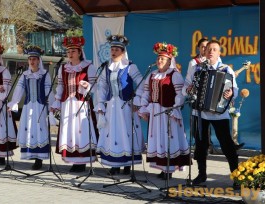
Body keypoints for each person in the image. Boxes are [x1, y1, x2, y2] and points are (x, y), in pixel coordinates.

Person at [182, 39, 239, 188]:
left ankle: (237, 177)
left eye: (214, 49)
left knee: (227, 145)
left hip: (219, 113)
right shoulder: (197, 68)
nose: (211, 51)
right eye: (209, 49)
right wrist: (188, 90)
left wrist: (231, 93)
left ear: (219, 53)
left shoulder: (226, 69)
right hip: (199, 113)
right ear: (204, 52)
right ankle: (202, 175)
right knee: (200, 145)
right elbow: (186, 85)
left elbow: (235, 89)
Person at [139, 42, 191, 180]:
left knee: (169, 138)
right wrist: (144, 108)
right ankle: (163, 168)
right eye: (158, 58)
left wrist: (174, 108)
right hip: (155, 113)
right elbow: (146, 93)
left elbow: (180, 94)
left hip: (169, 112)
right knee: (158, 139)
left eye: (163, 59)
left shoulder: (174, 75)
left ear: (170, 61)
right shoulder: (152, 75)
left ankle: (170, 168)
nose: (159, 61)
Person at [95, 34, 145, 175]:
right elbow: (103, 87)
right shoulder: (106, 67)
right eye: (112, 49)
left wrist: (137, 100)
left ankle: (127, 164)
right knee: (113, 134)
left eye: (117, 49)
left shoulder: (130, 66)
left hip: (126, 107)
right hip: (111, 106)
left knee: (126, 133)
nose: (114, 52)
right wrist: (101, 104)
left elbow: (142, 83)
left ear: (123, 52)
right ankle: (114, 164)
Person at [51, 36, 98, 173]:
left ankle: (82, 161)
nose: (70, 54)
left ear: (79, 52)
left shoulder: (88, 67)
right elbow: (60, 86)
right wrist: (57, 101)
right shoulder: (63, 68)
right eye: (68, 52)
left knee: (81, 132)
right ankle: (73, 160)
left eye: (73, 51)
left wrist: (87, 85)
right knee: (70, 132)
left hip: (81, 104)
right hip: (67, 104)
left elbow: (96, 87)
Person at [8, 45, 52, 170]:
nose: (32, 61)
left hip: (40, 107)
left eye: (34, 59)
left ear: (39, 60)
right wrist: (13, 103)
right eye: (30, 59)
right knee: (29, 131)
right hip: (28, 107)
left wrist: (52, 106)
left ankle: (39, 159)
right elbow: (19, 90)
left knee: (40, 130)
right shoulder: (25, 75)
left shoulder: (45, 74)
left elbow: (49, 91)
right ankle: (31, 156)